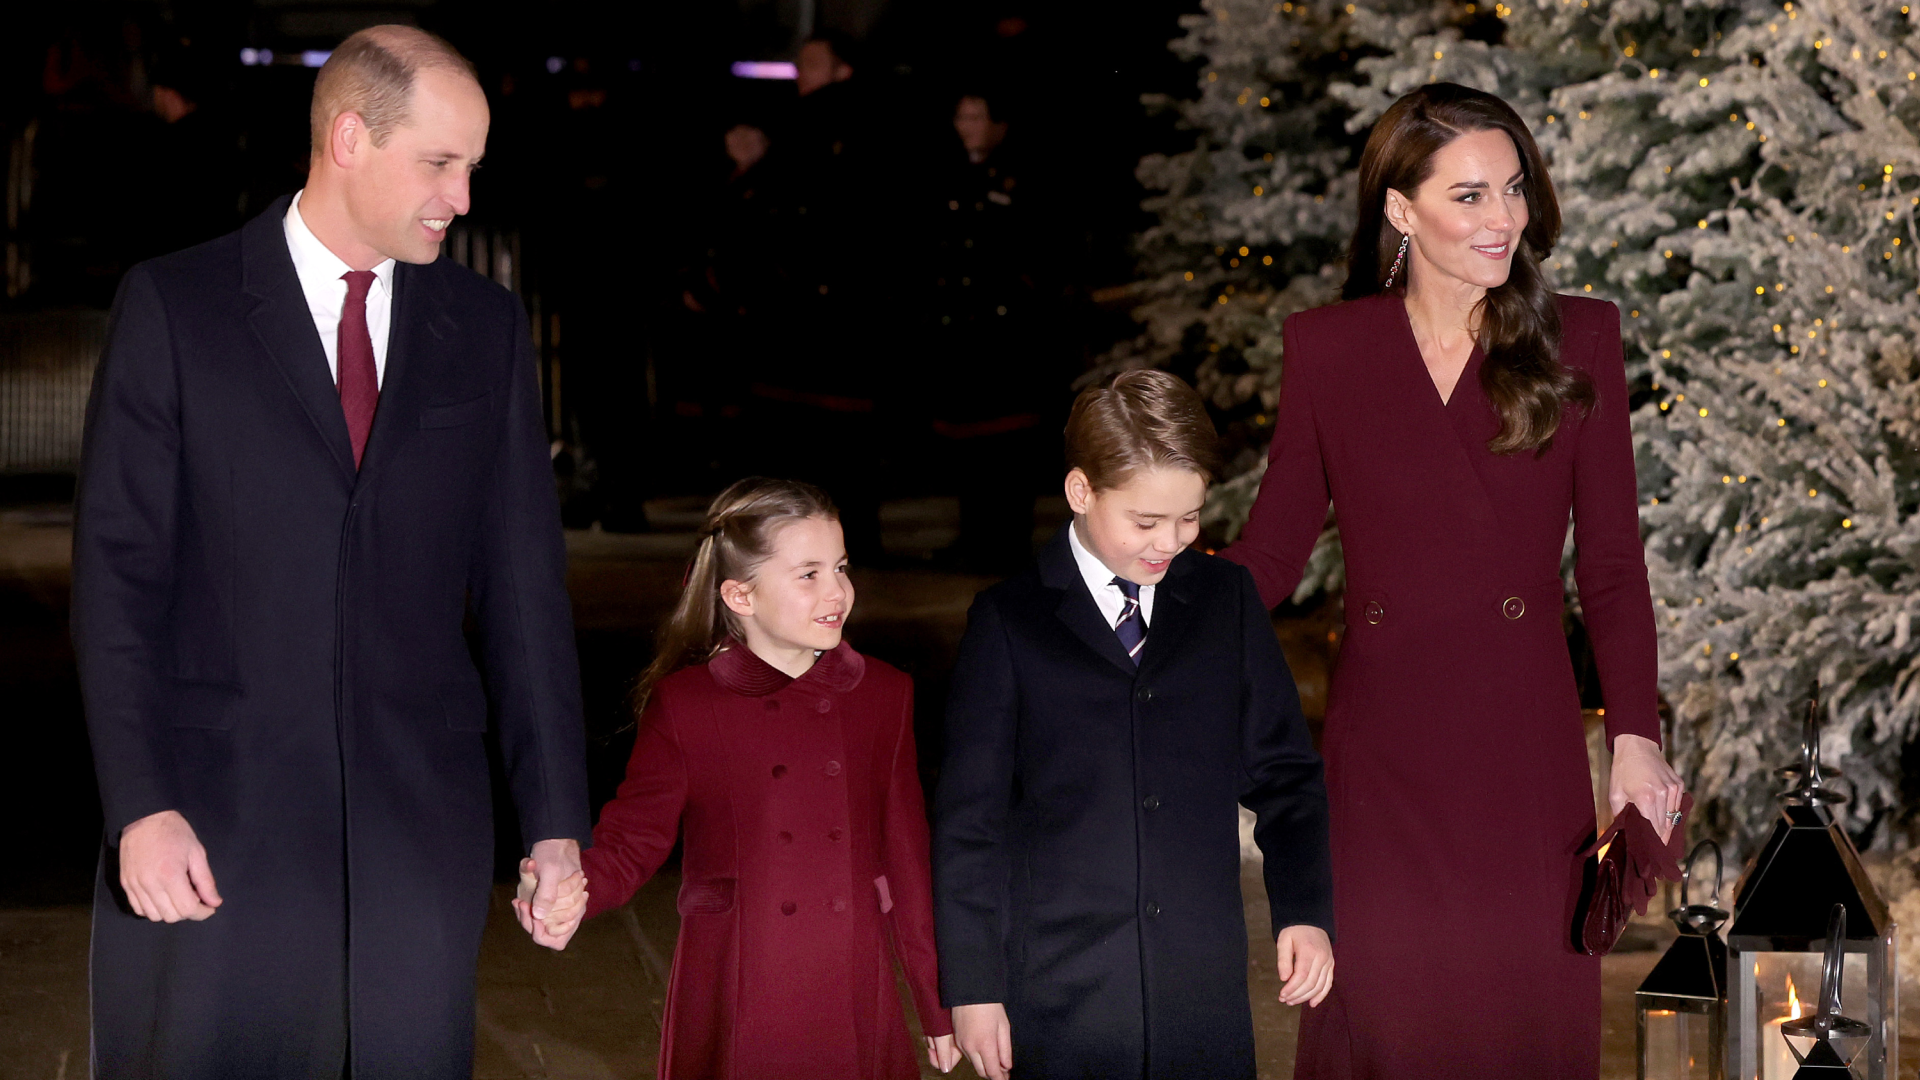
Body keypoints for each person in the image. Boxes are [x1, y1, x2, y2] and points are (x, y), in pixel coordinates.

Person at [71, 26, 590, 1080]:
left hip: (419, 828)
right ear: (350, 137)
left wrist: (552, 822)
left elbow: (524, 590)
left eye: (474, 167)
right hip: (218, 816)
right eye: (439, 164)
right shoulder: (179, 307)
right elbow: (119, 578)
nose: (462, 196)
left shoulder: (483, 328)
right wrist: (141, 803)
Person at [1220, 83, 1685, 1078]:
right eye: (1468, 196)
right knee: (1384, 1019)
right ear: (1400, 209)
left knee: (1517, 1021)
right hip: (1381, 752)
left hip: (1523, 751)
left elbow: (1610, 565)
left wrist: (1636, 739)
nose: (1504, 218)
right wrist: (1140, 604)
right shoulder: (1329, 349)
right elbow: (1272, 550)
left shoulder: (1580, 337)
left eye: (1513, 190)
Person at [933, 370, 1335, 1080]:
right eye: (1146, 522)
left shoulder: (1226, 601)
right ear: (1081, 492)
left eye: (1190, 518)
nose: (1171, 542)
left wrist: (1304, 908)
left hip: (1200, 990)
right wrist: (972, 986)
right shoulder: (1007, 621)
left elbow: (1286, 776)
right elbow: (972, 823)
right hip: (1059, 991)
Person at [545, 477, 958, 1079]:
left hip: (850, 975)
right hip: (738, 975)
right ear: (740, 596)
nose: (838, 591)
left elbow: (907, 861)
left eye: (841, 568)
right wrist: (572, 891)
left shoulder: (883, 694)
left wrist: (936, 1005)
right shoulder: (687, 705)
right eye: (808, 574)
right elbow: (634, 840)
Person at [926, 89, 1066, 574]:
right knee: (968, 443)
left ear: (1000, 125)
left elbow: (1042, 250)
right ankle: (972, 536)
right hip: (962, 329)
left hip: (1007, 331)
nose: (966, 125)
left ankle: (1006, 542)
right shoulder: (951, 175)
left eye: (976, 116)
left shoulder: (1023, 175)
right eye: (960, 115)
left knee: (1007, 447)